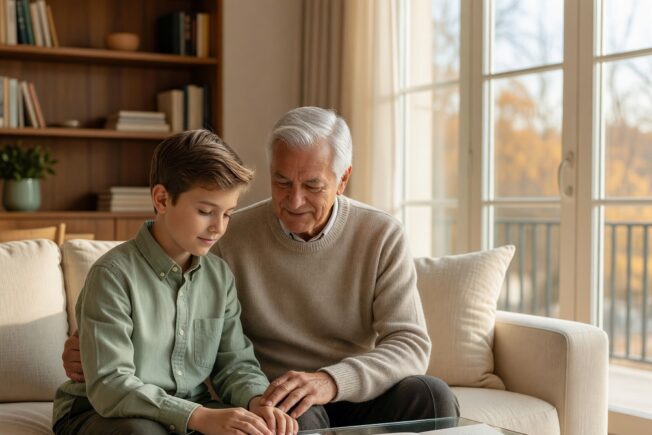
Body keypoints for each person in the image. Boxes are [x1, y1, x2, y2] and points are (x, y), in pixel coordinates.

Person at [63, 107, 460, 430]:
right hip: (279, 394)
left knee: (433, 396)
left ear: (343, 180)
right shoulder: (223, 240)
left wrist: (330, 381)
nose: (295, 200)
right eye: (282, 182)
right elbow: (166, 304)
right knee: (293, 417)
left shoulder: (381, 234)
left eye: (313, 186)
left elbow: (410, 345)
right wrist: (88, 342)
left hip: (349, 387)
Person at [52, 130, 300, 435]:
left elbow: (234, 363)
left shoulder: (218, 277)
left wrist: (258, 401)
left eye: (228, 214)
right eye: (205, 211)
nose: (218, 227)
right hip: (101, 412)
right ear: (162, 199)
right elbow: (110, 386)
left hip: (191, 410)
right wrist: (196, 416)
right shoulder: (112, 275)